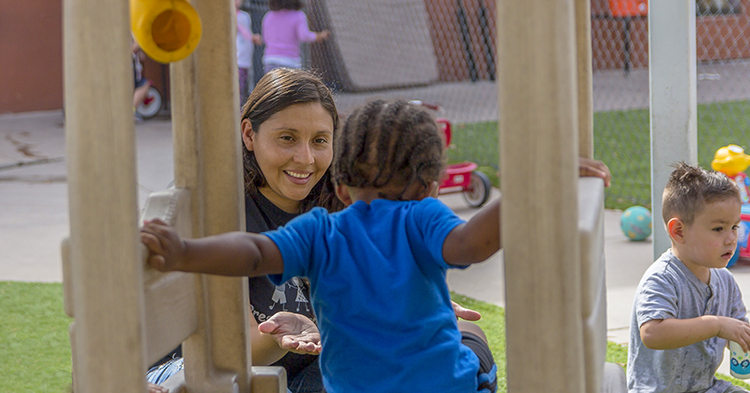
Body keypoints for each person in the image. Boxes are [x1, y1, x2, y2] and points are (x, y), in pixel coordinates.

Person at [141, 99, 500, 392]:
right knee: (472, 334)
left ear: (342, 187)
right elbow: (470, 245)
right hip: (440, 385)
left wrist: (185, 252)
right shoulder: (425, 216)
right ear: (431, 188)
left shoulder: (319, 231)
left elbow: (253, 254)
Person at [627, 162, 750, 393]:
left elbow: (738, 328)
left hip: (706, 387)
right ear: (679, 232)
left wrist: (741, 335)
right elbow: (652, 333)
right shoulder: (663, 278)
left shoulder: (725, 281)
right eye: (718, 229)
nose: (731, 239)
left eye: (734, 227)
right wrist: (715, 325)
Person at [260, 0, 330, 73]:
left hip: (270, 60)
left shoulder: (268, 16)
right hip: (290, 61)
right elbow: (304, 36)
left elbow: (266, 38)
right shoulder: (298, 15)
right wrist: (318, 36)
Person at [235, 0, 262, 106]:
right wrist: (253, 38)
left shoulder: (245, 16)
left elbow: (246, 32)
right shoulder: (229, 16)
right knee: (238, 89)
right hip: (238, 59)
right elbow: (243, 31)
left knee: (243, 88)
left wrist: (252, 37)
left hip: (246, 59)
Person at [132, 38, 150, 123]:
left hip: (135, 70)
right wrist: (136, 45)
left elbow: (142, 57)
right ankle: (131, 112)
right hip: (130, 70)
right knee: (143, 85)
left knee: (144, 85)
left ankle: (132, 111)